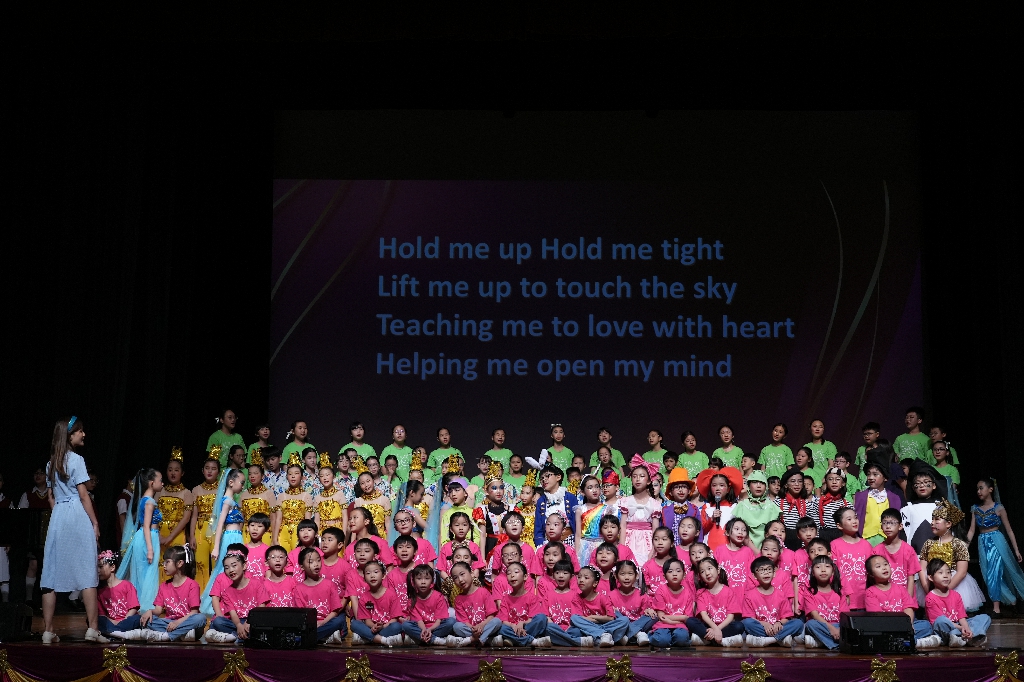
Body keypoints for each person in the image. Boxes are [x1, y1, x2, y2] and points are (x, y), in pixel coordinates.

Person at [968, 477, 1024, 617]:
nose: (978, 491)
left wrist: (1016, 550)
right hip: (982, 542)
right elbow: (972, 530)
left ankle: (996, 608)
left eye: (981, 488)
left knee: (994, 573)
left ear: (990, 489)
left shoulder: (999, 508)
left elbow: (1009, 530)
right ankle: (1011, 600)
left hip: (996, 541)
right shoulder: (975, 509)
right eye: (977, 489)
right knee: (987, 574)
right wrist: (965, 546)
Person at [918, 500, 985, 613]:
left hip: (953, 583)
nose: (932, 522)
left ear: (948, 524)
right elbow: (921, 568)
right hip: (931, 582)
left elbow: (962, 572)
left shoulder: (958, 544)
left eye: (937, 520)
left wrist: (945, 591)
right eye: (932, 519)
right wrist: (927, 589)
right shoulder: (928, 543)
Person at [864, 554, 941, 648]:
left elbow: (908, 608)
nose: (884, 568)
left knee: (926, 625)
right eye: (878, 566)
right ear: (871, 574)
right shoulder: (870, 592)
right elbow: (877, 617)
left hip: (904, 625)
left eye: (885, 564)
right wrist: (896, 627)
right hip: (886, 627)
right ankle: (913, 642)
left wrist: (908, 624)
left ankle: (901, 642)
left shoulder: (900, 588)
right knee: (877, 635)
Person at [199, 468, 246, 615]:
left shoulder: (232, 501)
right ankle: (211, 604)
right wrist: (216, 547)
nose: (243, 486)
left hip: (237, 536)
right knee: (224, 569)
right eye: (241, 482)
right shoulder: (226, 501)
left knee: (236, 568)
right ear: (231, 482)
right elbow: (220, 524)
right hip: (230, 537)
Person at [118, 468, 164, 612]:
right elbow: (146, 526)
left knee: (144, 573)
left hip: (148, 537)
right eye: (160, 480)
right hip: (147, 538)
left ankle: (140, 605)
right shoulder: (149, 501)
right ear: (152, 483)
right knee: (147, 573)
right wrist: (150, 549)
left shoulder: (145, 499)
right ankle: (144, 607)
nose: (162, 483)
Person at [204, 545, 270, 643]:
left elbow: (261, 606)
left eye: (234, 565)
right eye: (227, 568)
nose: (231, 570)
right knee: (218, 622)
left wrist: (249, 621)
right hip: (236, 622)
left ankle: (235, 636)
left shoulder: (257, 584)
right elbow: (232, 613)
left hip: (253, 620)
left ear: (244, 566)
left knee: (262, 625)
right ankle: (240, 636)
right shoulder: (227, 592)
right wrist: (239, 625)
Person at [925, 558, 991, 647]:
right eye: (940, 573)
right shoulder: (930, 598)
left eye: (948, 572)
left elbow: (961, 617)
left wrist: (966, 628)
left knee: (985, 617)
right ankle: (960, 636)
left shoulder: (956, 595)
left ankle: (968, 636)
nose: (945, 576)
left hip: (958, 626)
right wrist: (961, 628)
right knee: (941, 621)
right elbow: (937, 622)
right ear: (930, 577)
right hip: (945, 629)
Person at [742, 556, 803, 647]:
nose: (766, 572)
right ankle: (780, 639)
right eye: (761, 570)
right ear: (754, 575)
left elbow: (786, 617)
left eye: (769, 569)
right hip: (761, 627)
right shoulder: (749, 595)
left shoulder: (781, 594)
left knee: (798, 623)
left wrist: (779, 623)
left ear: (774, 573)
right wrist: (764, 624)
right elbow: (750, 618)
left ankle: (770, 640)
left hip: (777, 628)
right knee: (747, 623)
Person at [293, 546, 347, 644]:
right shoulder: (298, 589)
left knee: (340, 621)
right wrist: (314, 624)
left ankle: (314, 638)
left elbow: (335, 611)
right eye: (311, 562)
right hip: (311, 625)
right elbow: (302, 615)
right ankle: (325, 637)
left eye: (318, 560)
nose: (316, 564)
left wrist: (322, 622)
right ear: (301, 567)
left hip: (328, 621)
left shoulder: (330, 584)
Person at [685, 556, 744, 647]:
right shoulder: (701, 593)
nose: (707, 573)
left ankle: (707, 640)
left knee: (739, 626)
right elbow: (704, 615)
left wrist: (717, 630)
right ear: (700, 577)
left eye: (709, 568)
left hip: (723, 627)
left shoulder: (729, 591)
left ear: (718, 570)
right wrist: (714, 629)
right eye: (702, 571)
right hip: (708, 627)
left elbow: (730, 617)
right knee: (690, 621)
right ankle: (721, 641)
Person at [156, 449, 193, 583]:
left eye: (176, 470)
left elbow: (186, 518)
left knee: (175, 564)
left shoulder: (187, 493)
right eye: (170, 469)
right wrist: (158, 534)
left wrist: (170, 537)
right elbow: (153, 514)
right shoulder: (159, 491)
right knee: (160, 565)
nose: (173, 473)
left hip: (177, 534)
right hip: (159, 534)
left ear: (182, 473)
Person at [349, 559, 404, 646]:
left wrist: (382, 627)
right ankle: (382, 640)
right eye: (368, 573)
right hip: (371, 628)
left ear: (383, 575)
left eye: (376, 572)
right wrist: (373, 626)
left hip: (386, 627)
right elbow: (367, 620)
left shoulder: (392, 595)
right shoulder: (364, 597)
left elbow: (394, 619)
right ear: (364, 579)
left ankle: (367, 639)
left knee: (397, 626)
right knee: (354, 624)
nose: (372, 576)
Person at [620, 457, 662, 565]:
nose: (638, 479)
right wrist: (621, 548)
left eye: (642, 476)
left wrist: (653, 550)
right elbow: (623, 526)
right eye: (634, 476)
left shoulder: (655, 504)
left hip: (647, 543)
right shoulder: (625, 501)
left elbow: (655, 529)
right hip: (629, 541)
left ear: (649, 481)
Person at [450, 561, 502, 646]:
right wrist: (474, 628)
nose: (460, 580)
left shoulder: (484, 592)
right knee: (457, 626)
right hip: (471, 629)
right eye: (456, 578)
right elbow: (464, 621)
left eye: (462, 574)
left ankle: (475, 640)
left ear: (471, 573)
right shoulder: (458, 599)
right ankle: (485, 639)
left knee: (497, 621)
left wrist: (481, 625)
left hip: (485, 626)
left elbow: (491, 616)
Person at [854, 453, 902, 546]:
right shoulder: (860, 496)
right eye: (869, 474)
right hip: (865, 540)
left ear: (885, 478)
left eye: (875, 474)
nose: (871, 477)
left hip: (887, 540)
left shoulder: (894, 498)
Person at [190, 453, 222, 590]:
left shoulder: (222, 489)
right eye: (207, 468)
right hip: (200, 528)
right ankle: (200, 595)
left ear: (218, 472)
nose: (210, 471)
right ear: (202, 471)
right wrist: (192, 535)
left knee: (216, 563)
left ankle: (216, 595)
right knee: (200, 563)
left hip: (216, 529)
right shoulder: (196, 490)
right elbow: (194, 515)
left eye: (213, 468)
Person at [871, 508, 919, 597]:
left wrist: (908, 602)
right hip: (885, 598)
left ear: (900, 526)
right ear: (881, 526)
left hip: (904, 598)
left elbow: (911, 578)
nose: (888, 526)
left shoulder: (908, 550)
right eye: (885, 523)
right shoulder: (876, 551)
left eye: (892, 523)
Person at [402, 563, 455, 645]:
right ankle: (435, 640)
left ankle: (420, 639)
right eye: (419, 579)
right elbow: (419, 621)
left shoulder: (439, 597)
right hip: (420, 628)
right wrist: (424, 630)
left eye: (427, 578)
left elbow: (438, 620)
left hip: (436, 627)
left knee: (451, 622)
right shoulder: (412, 600)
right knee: (405, 625)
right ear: (413, 581)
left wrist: (429, 630)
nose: (423, 582)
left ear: (432, 580)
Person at [830, 508, 872, 609]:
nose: (854, 521)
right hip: (844, 598)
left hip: (864, 599)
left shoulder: (866, 544)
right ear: (839, 525)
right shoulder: (834, 545)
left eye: (855, 518)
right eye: (849, 519)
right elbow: (834, 572)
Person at [801, 556, 844, 649]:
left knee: (849, 627)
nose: (823, 570)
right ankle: (837, 645)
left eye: (827, 566)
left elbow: (844, 616)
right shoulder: (809, 592)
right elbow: (815, 615)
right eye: (818, 567)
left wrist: (839, 629)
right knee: (810, 624)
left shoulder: (839, 592)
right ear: (813, 573)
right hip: (820, 626)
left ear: (833, 571)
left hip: (837, 625)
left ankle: (821, 642)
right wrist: (831, 629)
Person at [473, 462, 512, 563]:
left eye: (501, 488)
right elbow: (482, 536)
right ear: (486, 491)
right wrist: (482, 559)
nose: (498, 491)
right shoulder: (483, 510)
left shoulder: (511, 509)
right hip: (490, 546)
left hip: (508, 545)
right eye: (494, 488)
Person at [696, 466, 742, 551]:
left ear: (728, 489)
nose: (717, 488)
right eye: (714, 485)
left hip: (729, 549)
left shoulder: (735, 507)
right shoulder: (707, 507)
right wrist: (711, 519)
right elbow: (701, 530)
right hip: (709, 548)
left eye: (721, 485)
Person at [96, 551, 141, 637]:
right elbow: (102, 615)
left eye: (101, 567)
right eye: (97, 567)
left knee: (137, 619)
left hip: (127, 620)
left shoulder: (126, 585)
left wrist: (124, 620)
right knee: (95, 620)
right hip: (111, 622)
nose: (98, 570)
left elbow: (133, 608)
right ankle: (120, 633)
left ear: (112, 567)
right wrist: (113, 622)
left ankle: (113, 633)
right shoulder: (100, 591)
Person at [533, 465, 579, 547]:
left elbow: (577, 523)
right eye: (541, 478)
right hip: (548, 542)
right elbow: (538, 527)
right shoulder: (541, 501)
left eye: (547, 476)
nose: (544, 479)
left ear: (558, 477)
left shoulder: (570, 497)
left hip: (569, 541)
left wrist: (577, 544)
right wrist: (540, 545)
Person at [732, 470, 779, 548]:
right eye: (754, 482)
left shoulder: (772, 507)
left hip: (767, 550)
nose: (758, 486)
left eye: (762, 483)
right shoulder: (742, 506)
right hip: (744, 548)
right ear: (749, 485)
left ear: (766, 486)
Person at [276, 454, 314, 552]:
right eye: (290, 474)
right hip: (283, 532)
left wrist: (306, 536)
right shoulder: (281, 496)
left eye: (296, 473)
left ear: (302, 476)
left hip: (299, 532)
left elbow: (307, 520)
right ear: (287, 476)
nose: (293, 476)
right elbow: (278, 519)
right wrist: (274, 538)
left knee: (297, 557)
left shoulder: (306, 496)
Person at [240, 454, 279, 545]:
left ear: (262, 476)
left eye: (255, 473)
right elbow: (241, 519)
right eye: (250, 474)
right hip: (246, 534)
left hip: (265, 533)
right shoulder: (244, 495)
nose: (252, 476)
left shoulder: (269, 494)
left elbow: (273, 518)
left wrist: (274, 539)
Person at [714, 518, 756, 592]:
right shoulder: (720, 550)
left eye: (744, 530)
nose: (740, 532)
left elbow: (752, 574)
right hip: (723, 593)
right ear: (727, 533)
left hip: (743, 593)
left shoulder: (748, 551)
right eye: (737, 529)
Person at [661, 467, 700, 544]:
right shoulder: (664, 510)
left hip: (689, 549)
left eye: (684, 487)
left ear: (689, 490)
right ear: (671, 492)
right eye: (676, 487)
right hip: (671, 548)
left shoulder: (695, 510)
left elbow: (700, 532)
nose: (680, 490)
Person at [312, 453, 348, 535]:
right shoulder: (317, 498)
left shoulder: (339, 494)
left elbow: (345, 516)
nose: (325, 478)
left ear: (334, 476)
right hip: (323, 532)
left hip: (338, 530)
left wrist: (343, 534)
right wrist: (318, 535)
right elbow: (317, 520)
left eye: (327, 475)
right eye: (322, 476)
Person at [817, 467, 853, 544]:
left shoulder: (847, 505)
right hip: (823, 537)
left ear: (843, 483)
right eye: (830, 479)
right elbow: (815, 523)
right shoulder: (818, 502)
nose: (834, 482)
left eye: (838, 479)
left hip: (841, 536)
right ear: (826, 483)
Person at [931, 440, 961, 509]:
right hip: (933, 501)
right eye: (935, 449)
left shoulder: (952, 469)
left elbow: (952, 488)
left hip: (948, 502)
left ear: (947, 453)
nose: (938, 451)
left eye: (941, 449)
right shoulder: (930, 469)